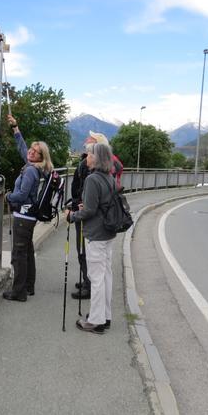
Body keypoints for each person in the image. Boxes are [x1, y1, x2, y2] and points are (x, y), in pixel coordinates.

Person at [65, 142, 117, 334]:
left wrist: (72, 216)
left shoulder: (93, 179)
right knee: (105, 276)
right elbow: (98, 205)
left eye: (90, 154)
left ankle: (95, 320)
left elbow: (89, 210)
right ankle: (105, 316)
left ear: (97, 158)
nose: (87, 157)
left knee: (96, 278)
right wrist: (85, 209)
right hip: (107, 233)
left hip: (95, 234)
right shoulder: (108, 177)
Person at [3, 113, 54, 302]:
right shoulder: (35, 166)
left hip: (24, 217)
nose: (30, 152)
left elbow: (22, 195)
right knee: (26, 252)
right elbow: (21, 148)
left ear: (41, 156)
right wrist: (15, 128)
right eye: (31, 150)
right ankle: (29, 286)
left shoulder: (31, 170)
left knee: (18, 254)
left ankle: (18, 292)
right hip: (30, 217)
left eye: (35, 152)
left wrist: (8, 196)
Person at [70, 131, 123, 300]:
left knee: (86, 253)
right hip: (97, 222)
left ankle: (89, 285)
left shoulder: (94, 174)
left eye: (90, 141)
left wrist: (74, 214)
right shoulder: (103, 171)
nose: (86, 141)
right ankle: (87, 281)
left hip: (93, 224)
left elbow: (92, 203)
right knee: (94, 262)